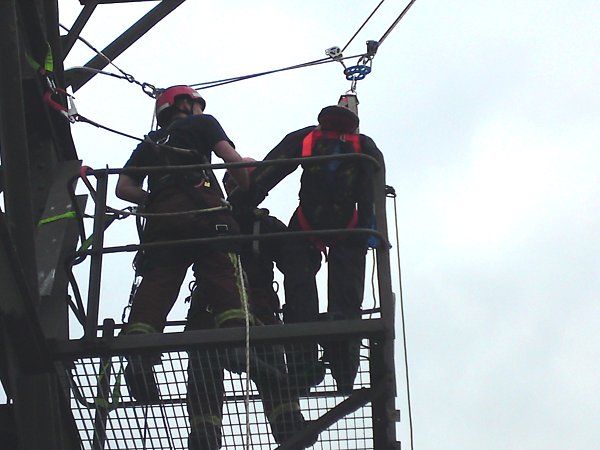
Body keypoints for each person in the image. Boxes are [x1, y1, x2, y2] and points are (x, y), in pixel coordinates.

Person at [229, 105, 384, 395]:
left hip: (307, 226)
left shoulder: (307, 139)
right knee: (346, 302)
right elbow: (373, 189)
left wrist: (238, 204)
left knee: (300, 295)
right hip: (349, 228)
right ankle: (344, 371)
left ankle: (303, 366)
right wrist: (371, 231)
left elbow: (270, 171)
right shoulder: (363, 146)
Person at [115, 85, 252, 402]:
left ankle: (139, 355)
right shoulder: (203, 123)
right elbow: (228, 157)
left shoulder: (151, 141)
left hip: (162, 218)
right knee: (222, 268)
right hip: (204, 209)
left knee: (158, 281)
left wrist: (158, 200)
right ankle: (235, 343)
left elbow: (124, 188)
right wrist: (246, 184)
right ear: (185, 105)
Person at [184, 163, 317, 449]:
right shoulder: (233, 221)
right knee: (209, 369)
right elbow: (299, 265)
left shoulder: (220, 220)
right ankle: (206, 432)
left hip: (233, 311)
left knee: (221, 364)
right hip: (224, 310)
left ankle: (285, 424)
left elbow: (298, 264)